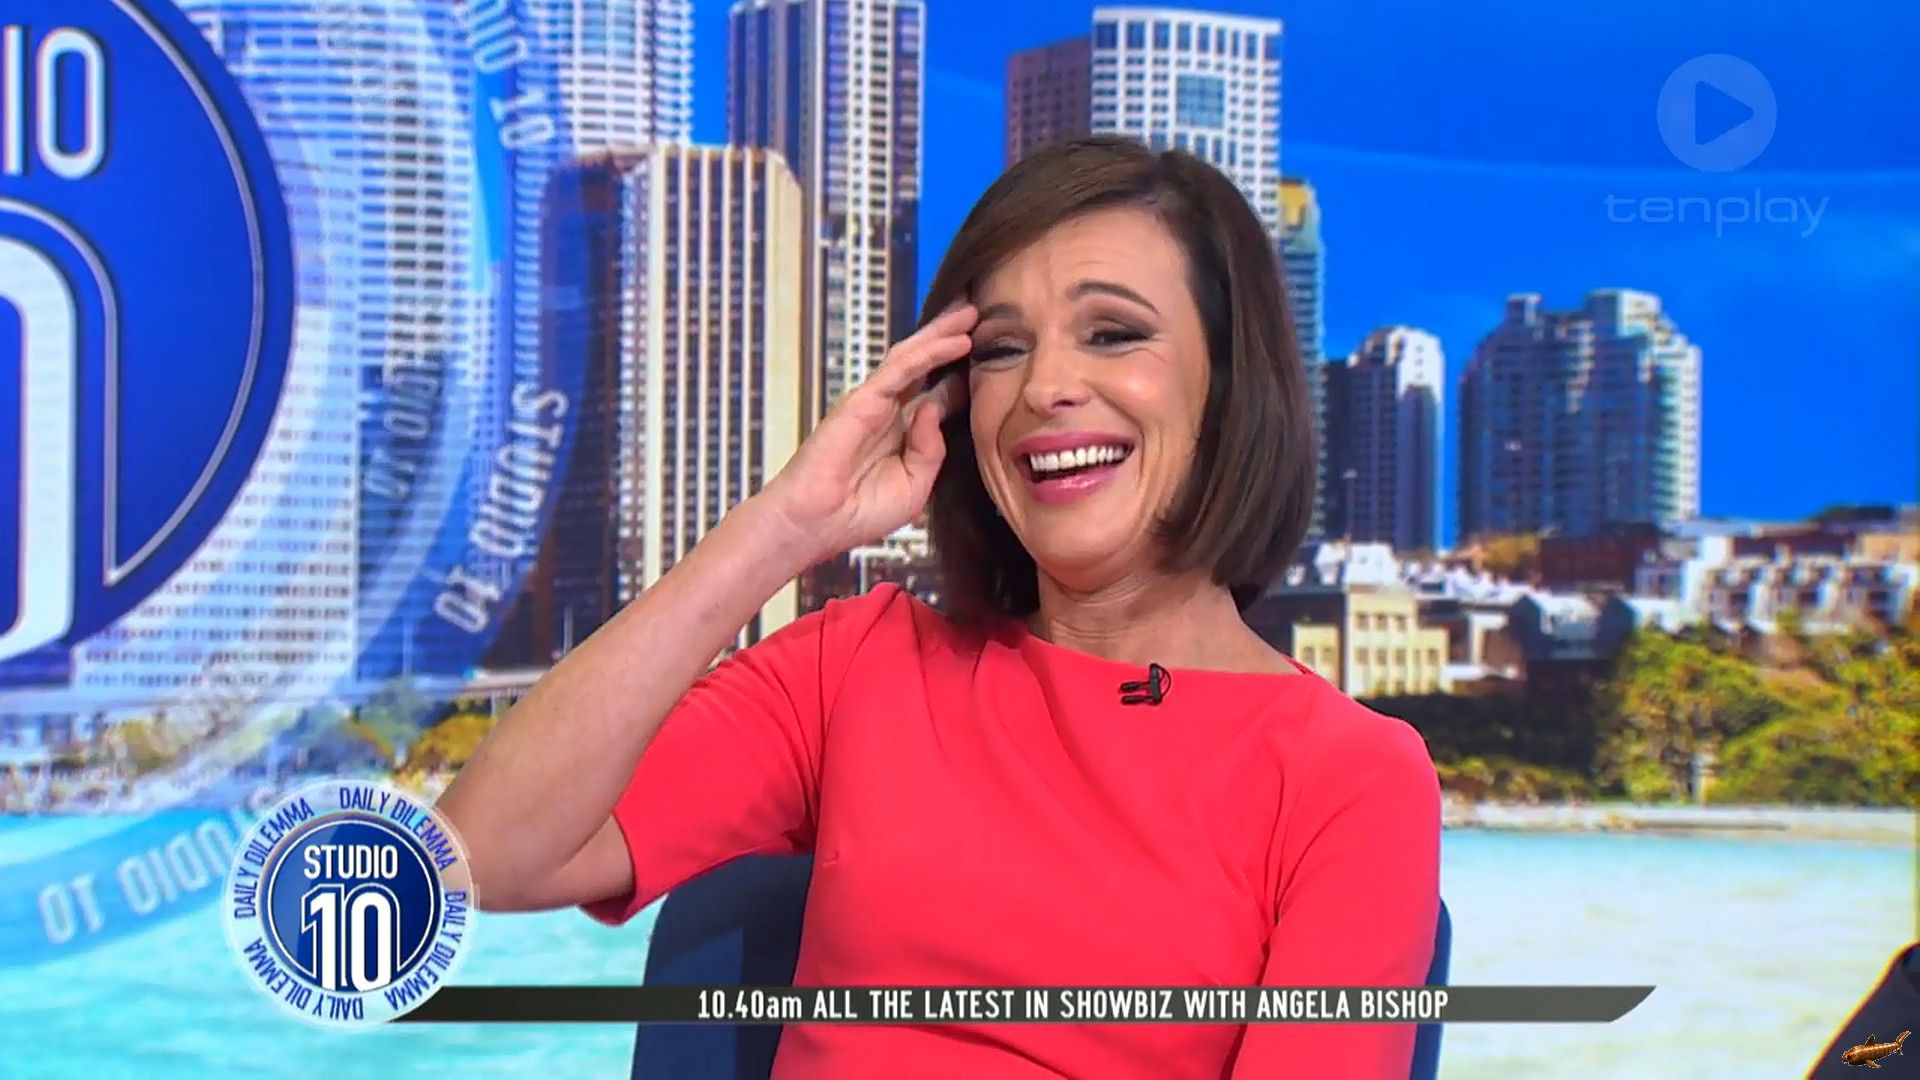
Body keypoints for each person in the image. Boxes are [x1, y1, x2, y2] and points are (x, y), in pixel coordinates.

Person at [438, 135, 1441, 1079]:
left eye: (1112, 333)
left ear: (1229, 388)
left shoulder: (1353, 778)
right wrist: (785, 526)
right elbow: (482, 856)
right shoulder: (855, 667)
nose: (1046, 386)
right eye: (1001, 348)